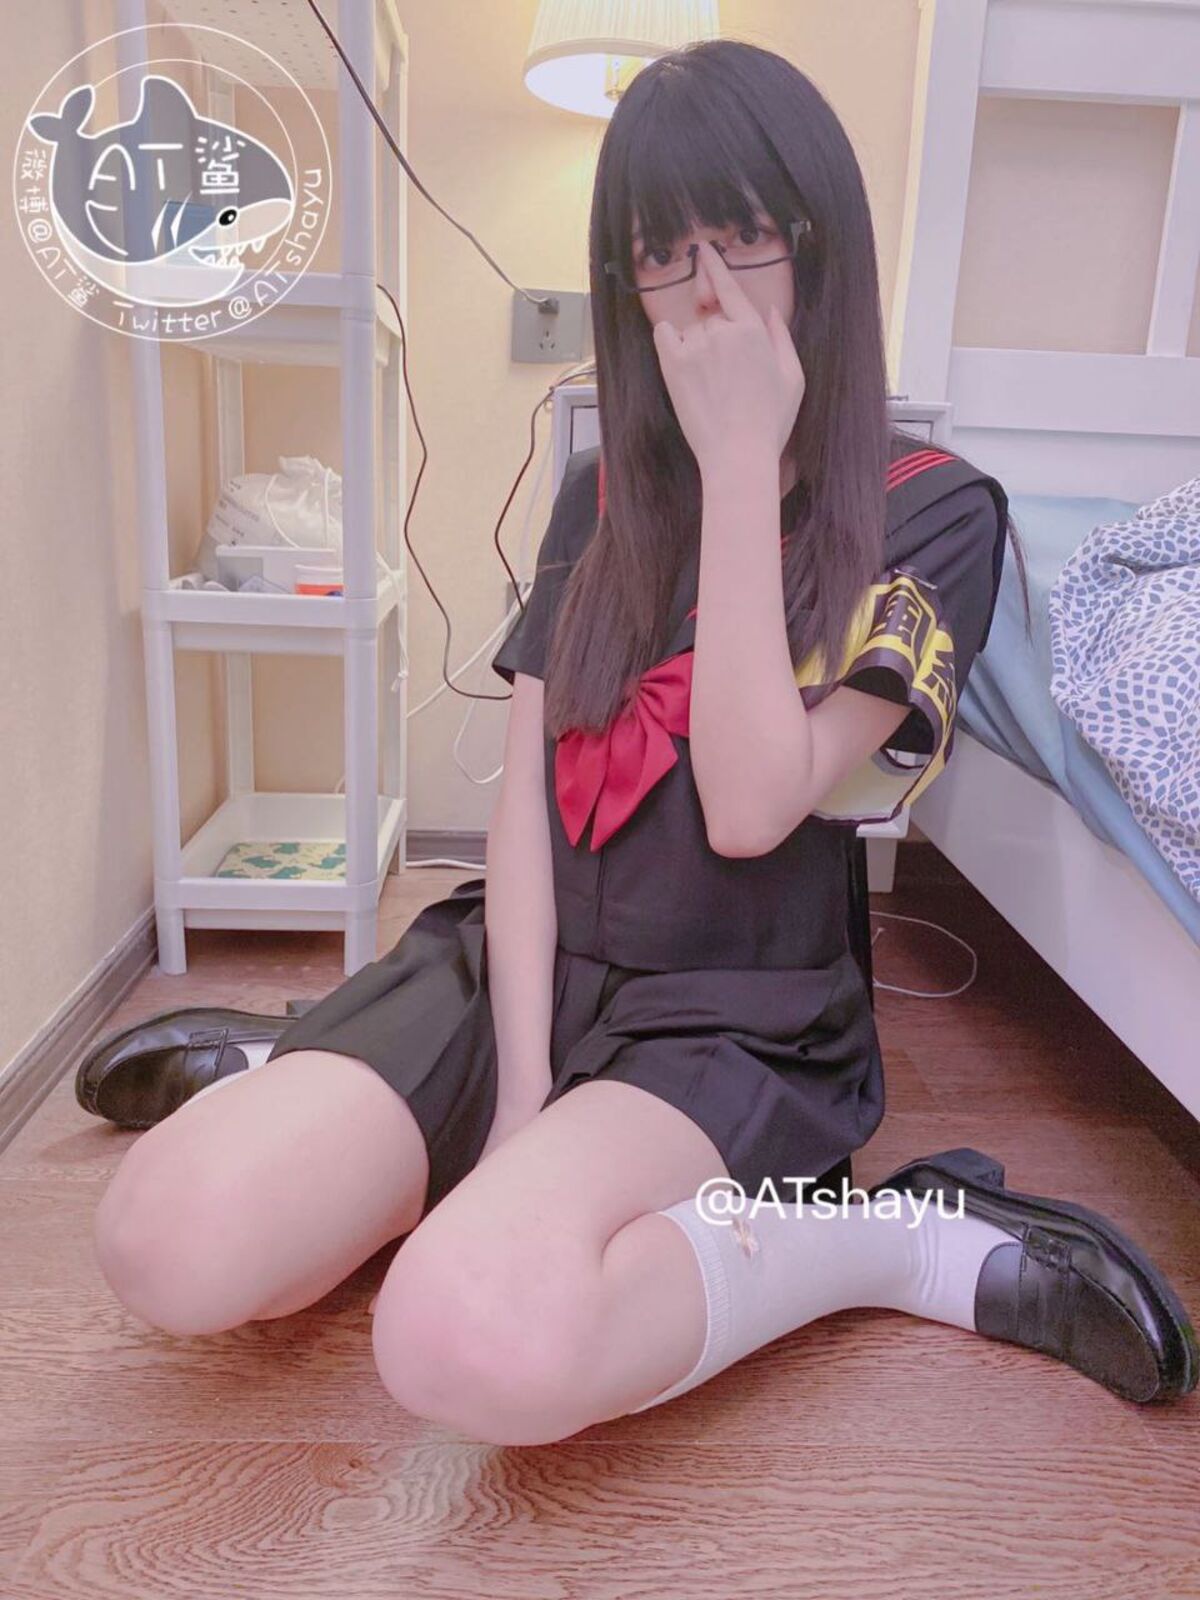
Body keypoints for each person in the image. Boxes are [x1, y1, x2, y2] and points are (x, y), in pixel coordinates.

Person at [87, 39, 1196, 1442]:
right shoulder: (600, 492)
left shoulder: (935, 512)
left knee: (464, 1338)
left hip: (735, 1012)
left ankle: (893, 1239)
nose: (706, 291)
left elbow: (750, 807)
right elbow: (526, 813)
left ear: (821, 248)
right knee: (165, 1241)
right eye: (663, 255)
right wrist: (520, 1094)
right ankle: (345, 1091)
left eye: (744, 237)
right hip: (526, 963)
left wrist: (740, 464)